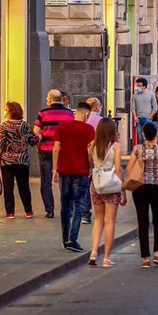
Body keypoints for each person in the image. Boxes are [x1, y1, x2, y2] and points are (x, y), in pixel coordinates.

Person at [52, 102, 95, 253]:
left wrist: (54, 169)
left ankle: (65, 239)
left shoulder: (62, 127)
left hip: (64, 170)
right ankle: (73, 239)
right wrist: (91, 166)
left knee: (65, 205)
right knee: (78, 205)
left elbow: (56, 147)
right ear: (87, 114)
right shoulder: (89, 129)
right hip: (81, 171)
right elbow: (90, 150)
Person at [87, 118, 125, 267]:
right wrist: (123, 190)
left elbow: (91, 164)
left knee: (98, 220)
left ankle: (94, 253)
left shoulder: (92, 145)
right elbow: (118, 168)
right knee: (109, 222)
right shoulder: (116, 146)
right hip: (111, 185)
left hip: (96, 185)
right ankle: (107, 258)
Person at [129, 121, 158, 268]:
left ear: (143, 134)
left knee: (142, 221)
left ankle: (145, 257)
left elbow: (131, 168)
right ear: (156, 134)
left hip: (141, 187)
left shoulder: (137, 149)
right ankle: (157, 252)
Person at [0, 102, 39, 220]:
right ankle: (28, 211)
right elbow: (33, 140)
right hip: (22, 160)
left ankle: (10, 213)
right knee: (24, 186)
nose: (4, 111)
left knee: (8, 187)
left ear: (10, 111)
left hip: (7, 161)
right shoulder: (25, 125)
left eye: (5, 109)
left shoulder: (5, 126)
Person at [34, 90, 74, 219]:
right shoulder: (69, 114)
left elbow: (36, 133)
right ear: (62, 99)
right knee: (65, 180)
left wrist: (37, 146)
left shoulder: (43, 113)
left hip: (46, 150)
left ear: (50, 99)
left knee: (46, 181)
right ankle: (67, 207)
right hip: (64, 151)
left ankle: (49, 210)